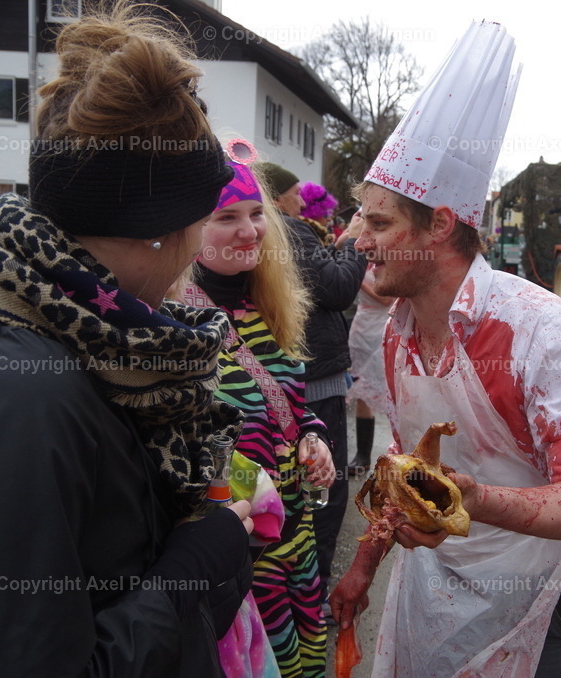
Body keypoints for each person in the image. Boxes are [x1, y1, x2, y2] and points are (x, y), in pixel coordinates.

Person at [0, 5, 254, 675]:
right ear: (159, 229)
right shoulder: (20, 401)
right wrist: (199, 567)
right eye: (202, 222)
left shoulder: (87, 337)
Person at [330, 21, 561, 678]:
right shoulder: (397, 333)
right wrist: (363, 564)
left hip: (540, 594)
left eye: (379, 223)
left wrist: (473, 501)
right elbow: (411, 471)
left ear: (438, 224)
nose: (359, 241)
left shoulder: (540, 331)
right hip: (438, 579)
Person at [188, 149, 336, 677]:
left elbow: (292, 407)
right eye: (226, 217)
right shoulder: (173, 321)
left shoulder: (265, 304)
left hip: (297, 537)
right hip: (243, 555)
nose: (249, 230)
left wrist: (314, 439)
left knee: (310, 657)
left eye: (255, 213)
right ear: (190, 228)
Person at [254, 162, 366, 613]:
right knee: (324, 487)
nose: (302, 201)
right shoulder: (291, 232)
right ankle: (313, 593)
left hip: (290, 375)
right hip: (314, 382)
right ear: (278, 197)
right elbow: (337, 289)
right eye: (295, 193)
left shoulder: (278, 233)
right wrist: (355, 241)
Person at [346, 228, 396, 475]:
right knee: (362, 389)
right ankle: (362, 457)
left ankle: (402, 457)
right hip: (361, 327)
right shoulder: (361, 260)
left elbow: (387, 298)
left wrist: (357, 280)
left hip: (382, 326)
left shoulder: (391, 258)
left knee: (393, 389)